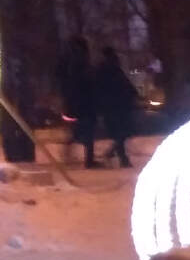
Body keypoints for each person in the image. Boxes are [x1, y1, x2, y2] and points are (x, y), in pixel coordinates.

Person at [93, 46, 138, 168]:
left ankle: (118, 155)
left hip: (110, 105)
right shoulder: (114, 69)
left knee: (119, 132)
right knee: (122, 132)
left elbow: (99, 87)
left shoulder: (102, 70)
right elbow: (124, 84)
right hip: (119, 104)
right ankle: (121, 157)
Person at [56, 35, 97, 168]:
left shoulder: (67, 60)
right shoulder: (81, 61)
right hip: (84, 102)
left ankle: (70, 155)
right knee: (88, 131)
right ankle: (89, 160)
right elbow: (86, 81)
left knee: (77, 131)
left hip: (73, 102)